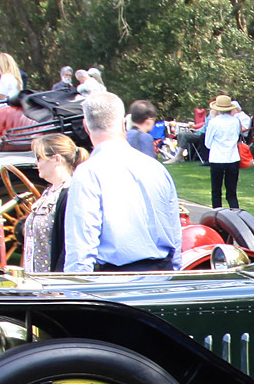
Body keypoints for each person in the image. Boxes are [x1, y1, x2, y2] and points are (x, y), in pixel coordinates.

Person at [63, 90, 182, 272]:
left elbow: (81, 244)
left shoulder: (88, 172)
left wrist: (76, 292)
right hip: (162, 276)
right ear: (122, 123)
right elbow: (174, 231)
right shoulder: (156, 168)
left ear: (86, 126)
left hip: (115, 282)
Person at [18, 134, 87, 273]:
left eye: (39, 157)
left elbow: (69, 245)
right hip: (36, 281)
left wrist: (57, 284)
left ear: (56, 159)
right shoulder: (49, 191)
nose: (36, 163)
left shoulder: (69, 193)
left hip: (52, 283)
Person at [202, 94, 243, 209]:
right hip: (232, 157)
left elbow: (207, 143)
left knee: (216, 191)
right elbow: (236, 137)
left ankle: (217, 215)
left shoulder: (213, 122)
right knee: (231, 192)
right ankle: (236, 214)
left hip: (217, 158)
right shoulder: (235, 121)